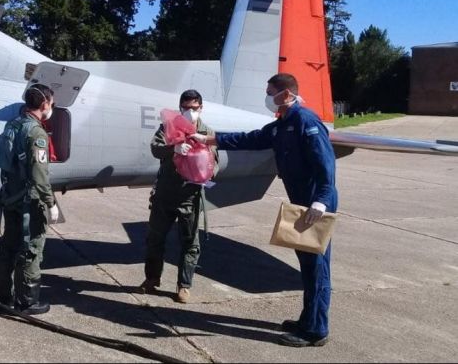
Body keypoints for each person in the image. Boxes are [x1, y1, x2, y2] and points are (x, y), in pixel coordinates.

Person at [189, 73, 337, 347]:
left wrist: (322, 200)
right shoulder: (283, 123)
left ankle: (316, 331)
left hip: (315, 202)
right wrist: (210, 139)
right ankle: (309, 319)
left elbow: (325, 164)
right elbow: (252, 138)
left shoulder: (306, 121)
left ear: (287, 94)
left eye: (271, 92)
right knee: (307, 264)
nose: (267, 97)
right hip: (301, 201)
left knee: (317, 266)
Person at [140, 89, 219, 303]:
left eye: (194, 108)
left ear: (201, 108)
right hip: (165, 195)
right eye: (185, 108)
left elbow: (215, 164)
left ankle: (184, 286)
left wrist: (204, 171)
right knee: (155, 238)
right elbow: (156, 149)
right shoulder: (168, 127)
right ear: (180, 108)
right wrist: (173, 148)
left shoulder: (207, 132)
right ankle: (152, 278)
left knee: (190, 243)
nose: (190, 112)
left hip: (190, 197)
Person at [0, 84, 59, 315]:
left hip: (10, 196)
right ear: (44, 104)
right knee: (31, 249)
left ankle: (4, 296)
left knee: (8, 247)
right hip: (29, 202)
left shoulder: (12, 124)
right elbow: (39, 176)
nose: (51, 106)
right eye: (51, 102)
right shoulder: (37, 133)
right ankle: (27, 301)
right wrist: (50, 203)